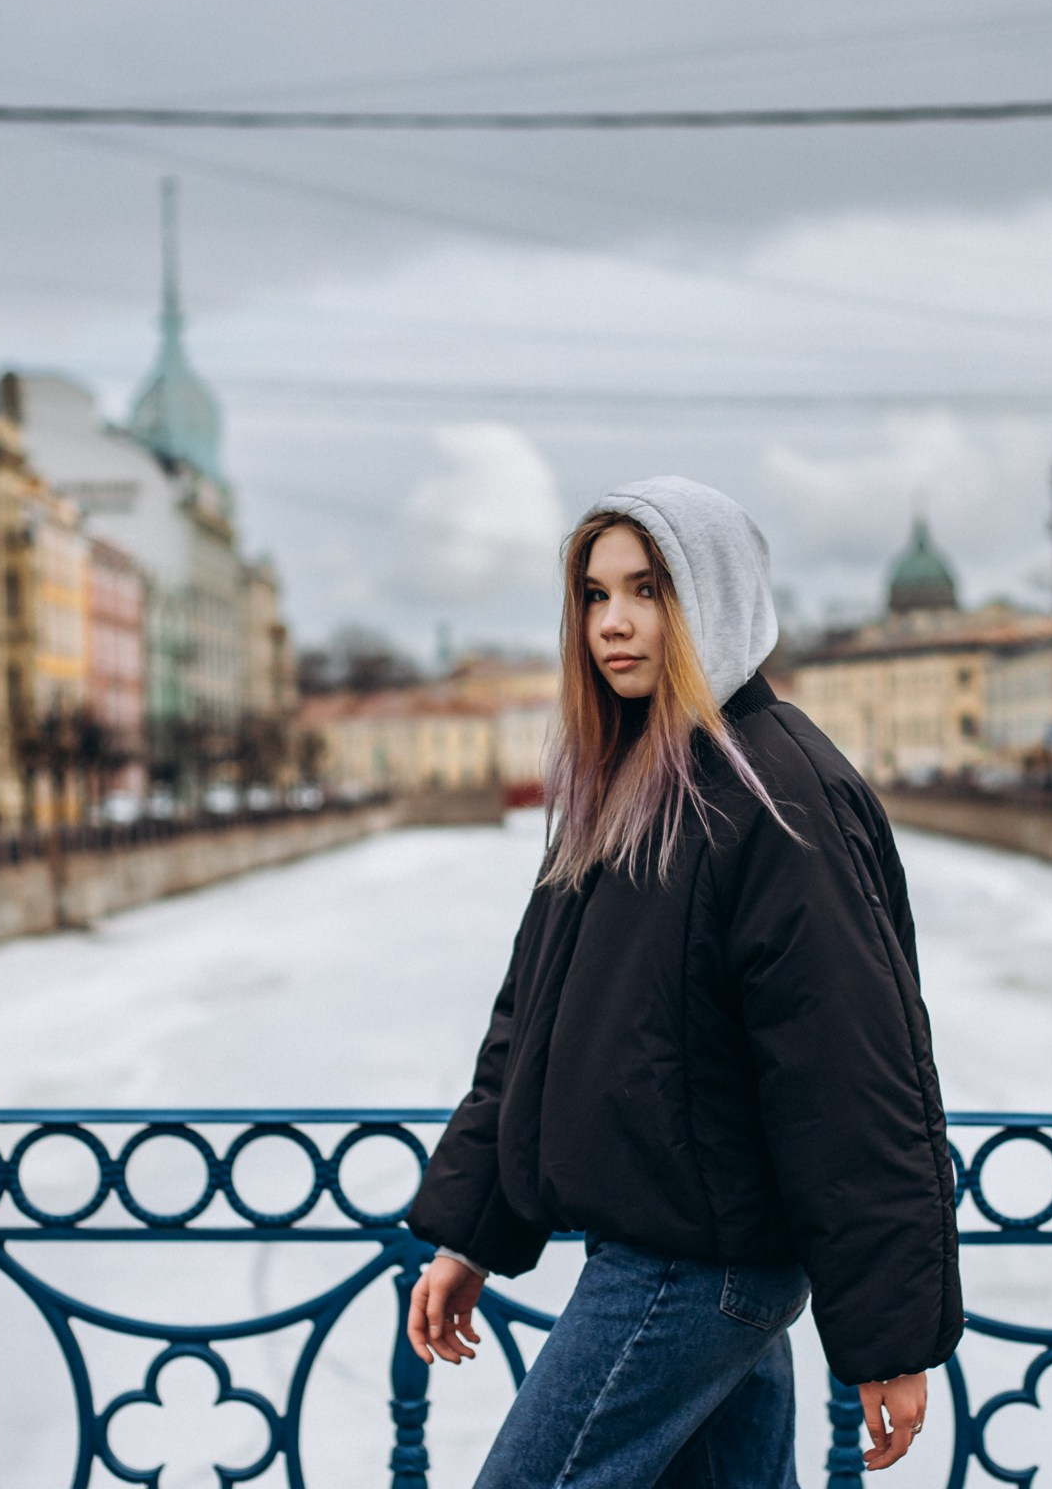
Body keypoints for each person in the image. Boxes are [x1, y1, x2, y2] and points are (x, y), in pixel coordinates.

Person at [404, 477, 963, 1484]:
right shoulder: (621, 780)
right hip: (683, 1258)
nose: (613, 622)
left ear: (717, 597)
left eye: (648, 589)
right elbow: (530, 1026)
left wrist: (888, 1333)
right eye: (594, 593)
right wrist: (471, 1227)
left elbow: (848, 1071)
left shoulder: (779, 791)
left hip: (689, 1273)